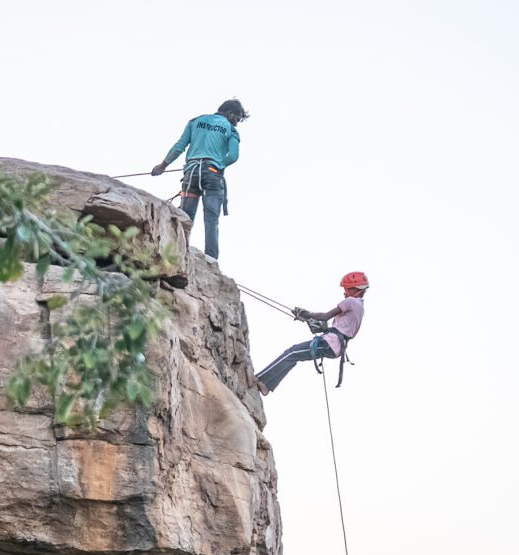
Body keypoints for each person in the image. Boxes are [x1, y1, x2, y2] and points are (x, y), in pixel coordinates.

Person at [151, 99, 249, 260]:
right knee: (211, 219)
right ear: (230, 113)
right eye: (237, 119)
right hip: (212, 174)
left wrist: (162, 166)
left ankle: (177, 253)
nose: (237, 123)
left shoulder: (196, 121)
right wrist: (218, 164)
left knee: (185, 216)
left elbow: (179, 146)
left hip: (191, 174)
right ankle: (211, 259)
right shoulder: (231, 130)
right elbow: (233, 156)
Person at [254, 272, 369, 396]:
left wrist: (306, 314)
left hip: (330, 343)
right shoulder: (360, 308)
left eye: (346, 289)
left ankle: (258, 379)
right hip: (335, 347)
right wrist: (320, 327)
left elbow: (325, 316)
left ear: (354, 290)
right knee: (295, 355)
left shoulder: (351, 301)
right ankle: (266, 385)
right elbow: (342, 329)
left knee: (292, 352)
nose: (344, 292)